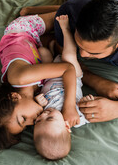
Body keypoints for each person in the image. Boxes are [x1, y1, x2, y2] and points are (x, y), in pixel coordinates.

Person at [0, 14, 81, 150]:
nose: (32, 122)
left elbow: (68, 69)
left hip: (22, 30)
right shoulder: (33, 95)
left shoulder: (20, 78)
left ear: (14, 97)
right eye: (27, 125)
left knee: (66, 14)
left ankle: (28, 12)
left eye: (23, 119)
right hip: (35, 47)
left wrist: (69, 107)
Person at [33, 15, 93, 160]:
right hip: (73, 75)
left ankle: (53, 50)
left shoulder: (42, 110)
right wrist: (88, 100)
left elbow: (38, 102)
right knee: (67, 55)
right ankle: (65, 30)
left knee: (42, 52)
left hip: (50, 74)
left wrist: (38, 101)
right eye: (50, 119)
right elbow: (89, 106)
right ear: (66, 126)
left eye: (38, 121)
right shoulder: (77, 119)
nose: (43, 115)